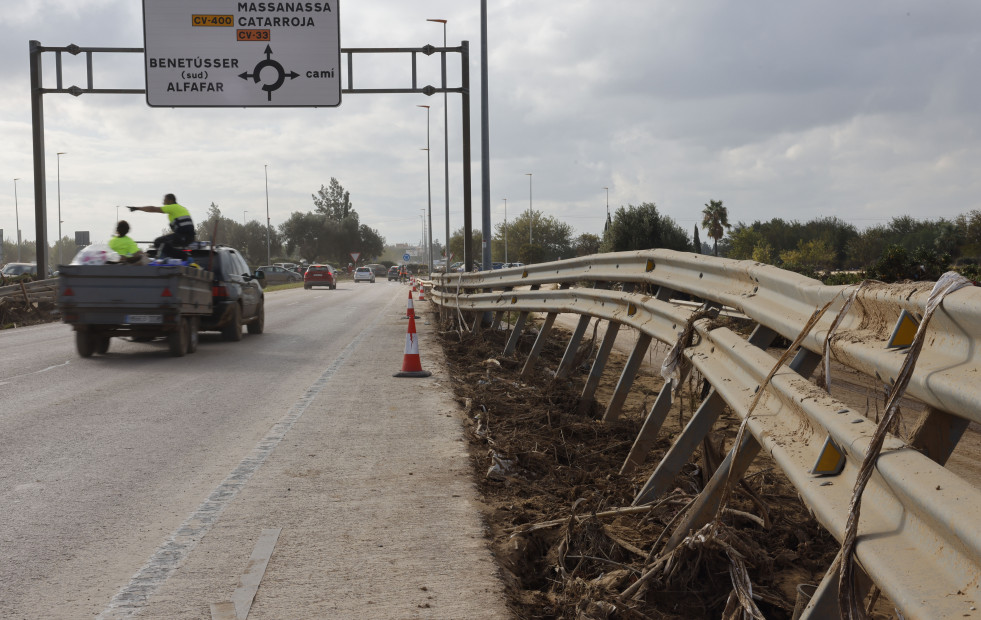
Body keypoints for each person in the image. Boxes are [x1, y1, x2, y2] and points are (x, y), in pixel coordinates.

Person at [128, 194, 195, 260]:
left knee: (158, 242)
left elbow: (152, 209)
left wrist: (137, 208)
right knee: (165, 245)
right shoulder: (181, 208)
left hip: (184, 235)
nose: (163, 202)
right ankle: (175, 258)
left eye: (165, 200)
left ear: (170, 200)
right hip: (189, 237)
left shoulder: (172, 207)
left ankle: (184, 257)